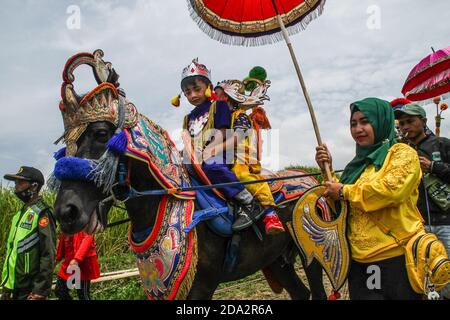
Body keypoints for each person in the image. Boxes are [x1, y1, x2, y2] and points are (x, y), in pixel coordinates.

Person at [315, 97, 425, 300]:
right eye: (353, 124)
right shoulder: (355, 166)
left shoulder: (402, 154)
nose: (358, 129)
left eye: (365, 121)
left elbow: (391, 190)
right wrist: (327, 170)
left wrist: (343, 191)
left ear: (381, 121)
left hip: (397, 258)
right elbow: (342, 203)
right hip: (359, 263)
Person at [179, 58, 263, 230]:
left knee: (211, 165)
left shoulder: (218, 106)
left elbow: (222, 132)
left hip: (219, 154)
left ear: (208, 88)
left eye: (197, 89)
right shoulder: (188, 117)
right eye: (187, 92)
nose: (192, 95)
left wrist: (210, 149)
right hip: (195, 158)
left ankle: (248, 202)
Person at [214, 76, 285, 235]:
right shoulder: (220, 120)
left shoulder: (240, 115)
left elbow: (238, 136)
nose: (216, 101)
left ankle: (269, 212)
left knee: (240, 174)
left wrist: (216, 148)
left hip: (242, 157)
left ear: (231, 98)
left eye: (220, 97)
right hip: (228, 158)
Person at [395, 102, 450, 299]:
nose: (405, 127)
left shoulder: (442, 144)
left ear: (424, 121)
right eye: (401, 124)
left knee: (447, 274)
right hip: (416, 225)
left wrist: (434, 167)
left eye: (410, 121)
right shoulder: (400, 151)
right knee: (421, 276)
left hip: (445, 221)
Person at [0, 166, 56, 300]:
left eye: (20, 183)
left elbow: (48, 253)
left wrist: (41, 290)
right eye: (15, 183)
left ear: (34, 186)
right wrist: (7, 287)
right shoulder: (20, 214)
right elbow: (13, 253)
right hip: (14, 288)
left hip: (30, 290)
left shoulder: (42, 213)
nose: (16, 187)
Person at [54, 231, 100, 300]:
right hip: (69, 265)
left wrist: (77, 259)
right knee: (60, 290)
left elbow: (87, 241)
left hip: (82, 266)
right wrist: (57, 258)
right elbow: (63, 240)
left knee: (82, 295)